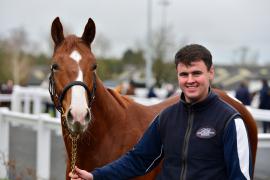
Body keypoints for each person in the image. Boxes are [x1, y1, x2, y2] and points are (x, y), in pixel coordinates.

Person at [70, 44, 252, 180]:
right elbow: (138, 160)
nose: (190, 80)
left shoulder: (230, 121)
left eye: (196, 73)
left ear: (210, 73)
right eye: (184, 74)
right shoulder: (166, 118)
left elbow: (240, 177)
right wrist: (96, 176)